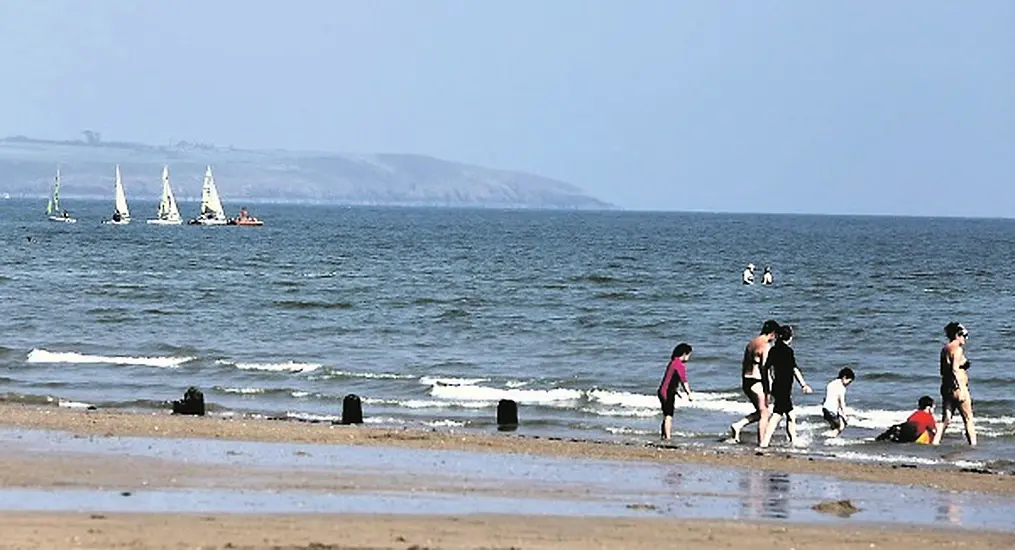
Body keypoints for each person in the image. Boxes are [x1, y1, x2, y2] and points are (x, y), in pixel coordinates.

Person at [759, 325, 812, 448]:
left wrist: (770, 383)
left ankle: (792, 441)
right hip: (785, 387)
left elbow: (766, 368)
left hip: (777, 386)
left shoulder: (773, 350)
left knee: (788, 414)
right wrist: (803, 384)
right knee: (779, 415)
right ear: (789, 338)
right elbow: (794, 369)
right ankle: (766, 442)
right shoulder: (788, 352)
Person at [730, 320, 779, 444]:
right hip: (757, 381)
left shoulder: (751, 343)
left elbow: (745, 363)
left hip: (747, 379)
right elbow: (764, 369)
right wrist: (768, 389)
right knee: (764, 413)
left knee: (762, 411)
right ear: (772, 333)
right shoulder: (765, 346)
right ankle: (762, 442)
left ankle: (738, 425)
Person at [932, 322, 976, 446]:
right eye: (965, 335)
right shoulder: (957, 349)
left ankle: (935, 442)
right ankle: (973, 446)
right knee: (968, 418)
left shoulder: (945, 349)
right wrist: (961, 389)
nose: (966, 338)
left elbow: (943, 370)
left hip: (946, 387)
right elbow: (955, 369)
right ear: (958, 335)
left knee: (946, 420)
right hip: (958, 388)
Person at [657, 343, 693, 440]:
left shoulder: (673, 362)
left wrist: (676, 391)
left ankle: (663, 436)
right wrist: (689, 394)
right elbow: (684, 381)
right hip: (667, 392)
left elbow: (670, 379)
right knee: (669, 416)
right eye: (689, 355)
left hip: (663, 391)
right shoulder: (679, 365)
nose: (689, 357)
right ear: (684, 354)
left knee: (666, 415)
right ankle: (668, 438)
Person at [821, 367, 855, 436]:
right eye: (849, 381)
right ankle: (829, 437)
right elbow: (841, 402)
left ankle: (830, 437)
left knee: (834, 426)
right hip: (832, 411)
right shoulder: (841, 387)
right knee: (842, 425)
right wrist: (845, 415)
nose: (849, 384)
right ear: (844, 377)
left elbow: (826, 397)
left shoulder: (830, 384)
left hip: (825, 409)